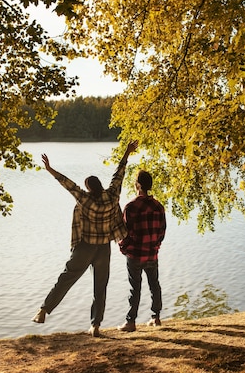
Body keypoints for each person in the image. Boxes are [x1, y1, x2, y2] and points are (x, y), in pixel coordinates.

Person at [32, 140, 138, 337]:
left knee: (66, 278)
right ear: (100, 185)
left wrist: (50, 169)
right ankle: (95, 325)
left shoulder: (85, 199)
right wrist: (127, 152)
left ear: (88, 188)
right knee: (100, 287)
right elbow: (119, 174)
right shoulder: (112, 195)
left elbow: (68, 184)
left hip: (85, 248)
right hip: (104, 249)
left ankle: (43, 311)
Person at [118, 170, 166, 332]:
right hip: (152, 253)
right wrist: (155, 246)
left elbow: (125, 233)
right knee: (154, 285)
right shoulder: (158, 206)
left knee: (135, 288)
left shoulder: (131, 207)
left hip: (135, 254)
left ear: (138, 185)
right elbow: (162, 231)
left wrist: (123, 247)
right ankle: (156, 317)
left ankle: (131, 322)